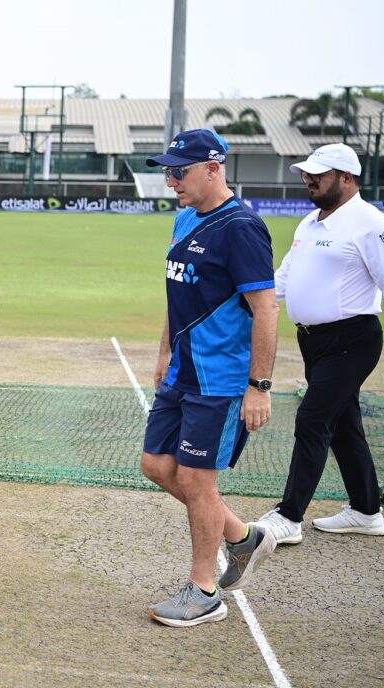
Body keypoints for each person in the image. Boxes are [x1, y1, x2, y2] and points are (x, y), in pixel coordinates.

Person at [139, 129, 279, 627]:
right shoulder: (183, 217)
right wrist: (163, 352)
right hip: (182, 370)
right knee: (156, 465)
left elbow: (265, 309)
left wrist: (258, 387)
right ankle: (243, 537)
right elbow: (179, 296)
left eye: (180, 171)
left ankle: (204, 591)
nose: (171, 180)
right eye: (168, 171)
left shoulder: (241, 227)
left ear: (213, 169)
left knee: (198, 479)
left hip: (220, 379)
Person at [253, 143, 384, 544]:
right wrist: (249, 306)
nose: (308, 180)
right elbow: (285, 277)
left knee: (312, 419)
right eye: (307, 173)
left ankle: (289, 517)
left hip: (353, 340)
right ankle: (366, 511)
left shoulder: (372, 225)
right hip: (314, 342)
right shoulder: (310, 222)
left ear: (346, 178)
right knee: (344, 425)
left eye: (318, 175)